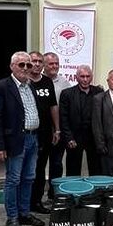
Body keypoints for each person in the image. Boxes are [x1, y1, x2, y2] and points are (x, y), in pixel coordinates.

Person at [0, 51, 46, 226]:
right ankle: (12, 217)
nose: (25, 68)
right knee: (13, 179)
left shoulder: (31, 87)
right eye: (21, 65)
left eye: (28, 65)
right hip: (15, 140)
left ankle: (24, 213)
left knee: (29, 178)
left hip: (32, 138)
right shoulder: (1, 87)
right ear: (12, 66)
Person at [28, 51, 60, 214]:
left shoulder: (47, 82)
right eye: (34, 61)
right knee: (27, 171)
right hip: (27, 134)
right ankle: (24, 203)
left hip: (45, 133)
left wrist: (57, 129)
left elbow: (53, 106)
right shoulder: (23, 81)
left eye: (40, 61)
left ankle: (37, 202)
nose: (37, 64)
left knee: (40, 170)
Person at [59, 65, 103, 177]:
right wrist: (69, 138)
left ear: (91, 77)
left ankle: (95, 193)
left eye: (88, 76)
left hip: (94, 138)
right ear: (76, 77)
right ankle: (73, 193)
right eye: (82, 76)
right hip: (74, 138)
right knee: (73, 170)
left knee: (96, 169)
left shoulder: (99, 92)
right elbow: (63, 118)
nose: (85, 79)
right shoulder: (67, 94)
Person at [43, 52, 71, 181]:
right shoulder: (36, 80)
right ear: (44, 65)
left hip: (58, 130)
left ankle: (54, 195)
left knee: (57, 163)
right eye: (51, 64)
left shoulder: (64, 82)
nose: (54, 66)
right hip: (42, 130)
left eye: (56, 64)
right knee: (39, 164)